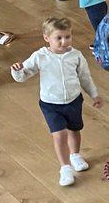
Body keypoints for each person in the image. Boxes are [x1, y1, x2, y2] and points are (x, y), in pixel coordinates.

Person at [10, 16, 103, 187]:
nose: (64, 41)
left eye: (67, 36)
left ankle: (75, 155)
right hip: (50, 104)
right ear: (47, 38)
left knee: (75, 130)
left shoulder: (76, 56)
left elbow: (85, 77)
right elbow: (24, 75)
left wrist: (94, 94)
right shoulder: (40, 56)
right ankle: (65, 167)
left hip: (74, 101)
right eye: (58, 38)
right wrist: (17, 71)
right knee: (59, 135)